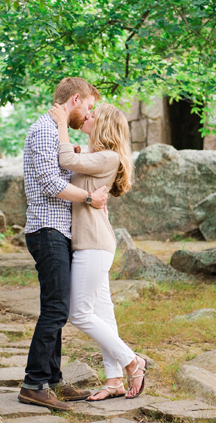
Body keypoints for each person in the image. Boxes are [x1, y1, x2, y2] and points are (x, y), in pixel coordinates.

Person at [19, 78, 109, 411]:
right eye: (87, 107)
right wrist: (89, 198)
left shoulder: (56, 129)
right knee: (56, 309)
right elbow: (50, 183)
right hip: (47, 229)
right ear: (74, 100)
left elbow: (68, 163)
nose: (88, 113)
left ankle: (52, 380)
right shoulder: (45, 129)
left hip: (58, 230)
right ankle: (33, 383)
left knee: (58, 307)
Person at [49, 102, 148, 401]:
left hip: (93, 244)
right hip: (91, 242)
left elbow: (65, 159)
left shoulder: (108, 156)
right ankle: (114, 379)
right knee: (104, 315)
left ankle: (133, 361)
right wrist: (80, 151)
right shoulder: (97, 156)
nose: (87, 117)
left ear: (103, 124)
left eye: (92, 115)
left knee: (78, 314)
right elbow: (75, 162)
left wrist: (62, 122)